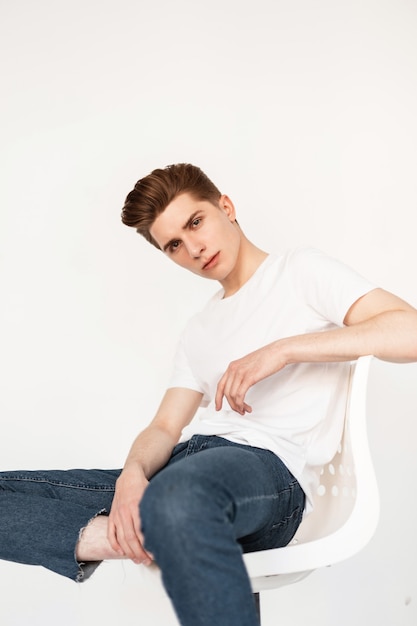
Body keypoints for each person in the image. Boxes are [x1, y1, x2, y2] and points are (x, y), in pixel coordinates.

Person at [1, 163, 417, 626]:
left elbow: (410, 331)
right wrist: (132, 475)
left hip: (265, 472)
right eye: (174, 245)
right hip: (185, 465)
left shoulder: (298, 270)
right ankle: (113, 535)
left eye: (195, 222)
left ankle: (156, 519)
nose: (194, 249)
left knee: (178, 498)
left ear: (226, 206)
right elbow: (164, 426)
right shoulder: (199, 329)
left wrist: (283, 350)